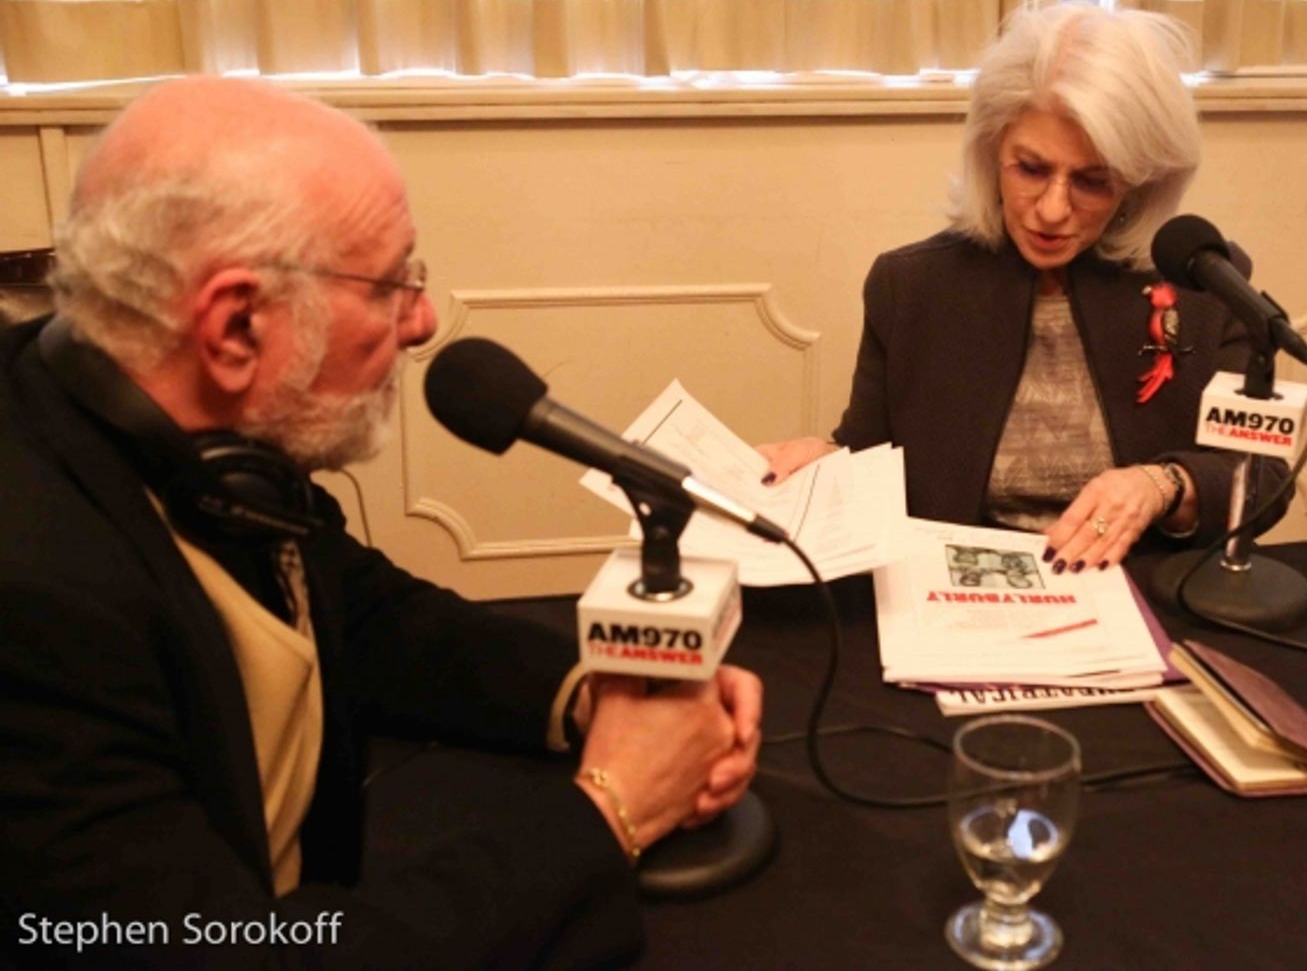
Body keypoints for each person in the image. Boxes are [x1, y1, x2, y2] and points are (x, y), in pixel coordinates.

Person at [0, 77, 761, 969]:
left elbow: (361, 614)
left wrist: (605, 689)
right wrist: (613, 803)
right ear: (236, 323)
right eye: (391, 284)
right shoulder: (35, 598)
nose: (424, 319)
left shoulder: (182, 432)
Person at [759, 1, 1291, 571]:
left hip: (1143, 587)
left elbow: (1261, 475)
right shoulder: (911, 286)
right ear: (992, 151)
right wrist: (822, 462)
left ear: (1140, 181)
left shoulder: (1204, 286)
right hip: (955, 590)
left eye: (1093, 181)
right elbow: (869, 454)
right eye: (1031, 169)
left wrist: (1163, 484)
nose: (1054, 209)